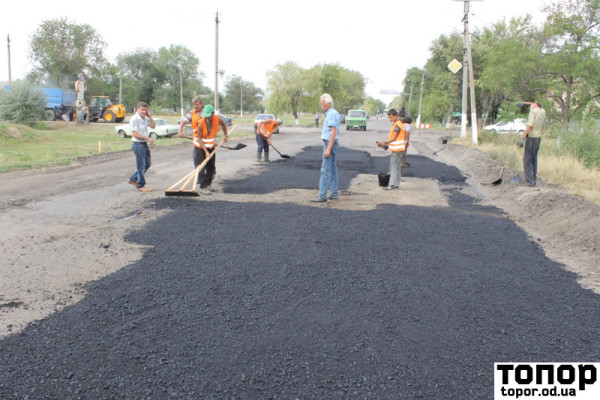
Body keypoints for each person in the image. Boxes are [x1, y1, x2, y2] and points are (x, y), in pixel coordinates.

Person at [193, 104, 229, 195]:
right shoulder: (201, 123)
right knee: (201, 167)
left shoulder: (218, 119)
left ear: (213, 113)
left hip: (211, 146)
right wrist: (205, 151)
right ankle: (202, 187)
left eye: (209, 116)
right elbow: (199, 138)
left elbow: (224, 125)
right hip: (200, 147)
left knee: (211, 167)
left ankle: (208, 185)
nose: (207, 118)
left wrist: (226, 135)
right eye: (206, 116)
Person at [311, 93, 340, 202]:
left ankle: (322, 196)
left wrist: (328, 148)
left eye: (322, 104)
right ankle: (334, 194)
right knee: (332, 169)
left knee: (325, 169)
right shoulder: (334, 113)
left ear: (328, 103)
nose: (321, 106)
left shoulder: (331, 114)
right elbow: (337, 131)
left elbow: (333, 131)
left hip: (329, 143)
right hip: (333, 142)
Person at [128, 102, 156, 192]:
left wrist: (150, 117)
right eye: (142, 109)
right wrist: (147, 138)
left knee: (147, 164)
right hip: (138, 144)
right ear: (138, 109)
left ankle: (133, 179)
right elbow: (134, 133)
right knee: (141, 166)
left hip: (144, 144)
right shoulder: (134, 119)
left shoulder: (145, 118)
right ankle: (141, 185)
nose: (144, 111)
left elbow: (153, 126)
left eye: (145, 109)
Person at [377, 109, 407, 190]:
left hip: (397, 150)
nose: (389, 119)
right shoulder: (399, 124)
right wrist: (387, 145)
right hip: (399, 149)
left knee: (393, 167)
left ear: (395, 116)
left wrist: (384, 142)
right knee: (397, 167)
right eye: (389, 117)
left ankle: (392, 185)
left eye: (390, 117)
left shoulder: (397, 125)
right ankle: (396, 184)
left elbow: (394, 138)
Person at [520, 102, 546, 186]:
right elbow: (536, 104)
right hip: (538, 138)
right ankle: (533, 180)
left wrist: (523, 137)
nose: (530, 107)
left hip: (531, 137)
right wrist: (524, 103)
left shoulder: (533, 112)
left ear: (534, 106)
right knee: (534, 159)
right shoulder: (542, 111)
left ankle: (529, 181)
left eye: (531, 106)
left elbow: (529, 125)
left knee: (527, 160)